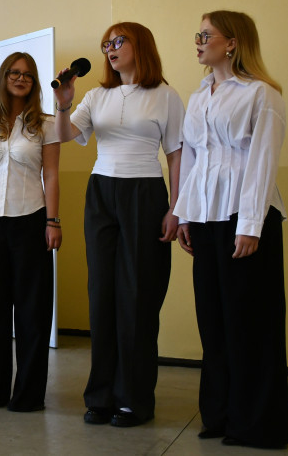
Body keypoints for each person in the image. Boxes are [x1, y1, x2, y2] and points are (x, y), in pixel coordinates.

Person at [53, 22, 184, 427]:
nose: (110, 49)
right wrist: (63, 104)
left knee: (137, 296)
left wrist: (176, 208)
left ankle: (134, 399)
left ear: (140, 45)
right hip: (102, 192)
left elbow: (176, 155)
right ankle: (101, 396)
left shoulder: (165, 95)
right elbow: (66, 135)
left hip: (144, 192)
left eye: (118, 41)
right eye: (106, 44)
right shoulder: (97, 95)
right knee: (102, 294)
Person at [174, 10, 288, 449]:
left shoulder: (261, 94)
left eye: (206, 35)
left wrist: (251, 225)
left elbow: (262, 161)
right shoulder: (199, 95)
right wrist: (186, 216)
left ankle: (256, 424)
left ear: (233, 42)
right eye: (198, 35)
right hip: (205, 219)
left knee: (251, 323)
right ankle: (219, 415)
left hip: (246, 218)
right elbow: (193, 159)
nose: (198, 42)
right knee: (214, 322)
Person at [0, 52, 61, 412]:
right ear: (3, 77)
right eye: (14, 73)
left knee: (32, 311)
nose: (21, 79)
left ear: (34, 83)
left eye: (28, 75)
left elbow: (51, 175)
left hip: (32, 219)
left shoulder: (47, 124)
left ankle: (29, 394)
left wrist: (53, 221)